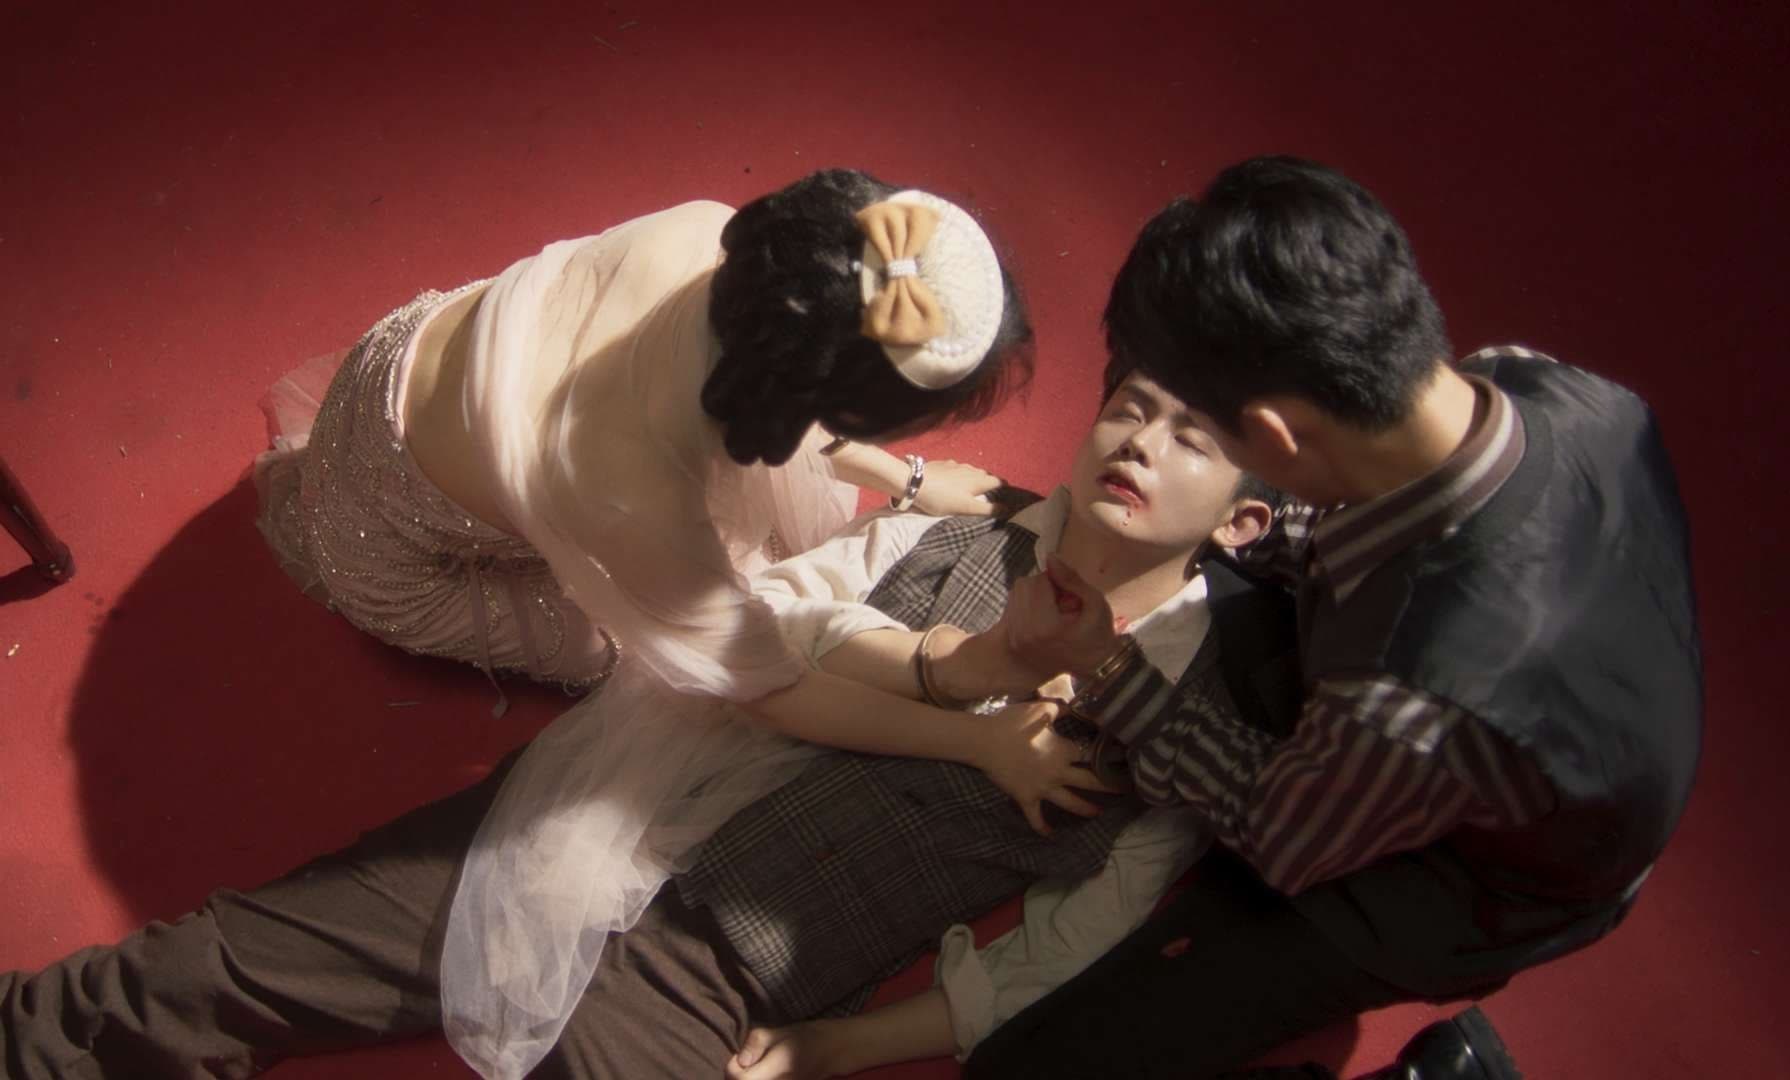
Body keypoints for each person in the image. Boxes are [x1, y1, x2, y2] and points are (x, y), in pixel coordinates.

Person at [0, 370, 1281, 1080]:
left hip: (722, 973)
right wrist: (971, 673)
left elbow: (1066, 947)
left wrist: (837, 1047)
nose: (1139, 441)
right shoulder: (965, 530)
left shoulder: (1193, 732)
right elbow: (770, 628)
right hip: (611, 812)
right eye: (1132, 405)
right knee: (228, 963)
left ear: (1245, 519)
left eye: (1192, 435)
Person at [248, 168, 1034, 1076]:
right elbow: (766, 688)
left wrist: (906, 478)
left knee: (741, 555)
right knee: (657, 659)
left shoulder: (720, 239)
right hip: (403, 555)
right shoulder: (631, 487)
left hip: (406, 361)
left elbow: (792, 382)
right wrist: (980, 742)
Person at [969, 156, 1703, 1080]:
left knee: (1031, 1068)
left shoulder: (1420, 691)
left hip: (1476, 879)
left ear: (1273, 439)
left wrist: (1108, 668)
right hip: (1568, 723)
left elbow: (1283, 834)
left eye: (1201, 432)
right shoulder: (1533, 379)